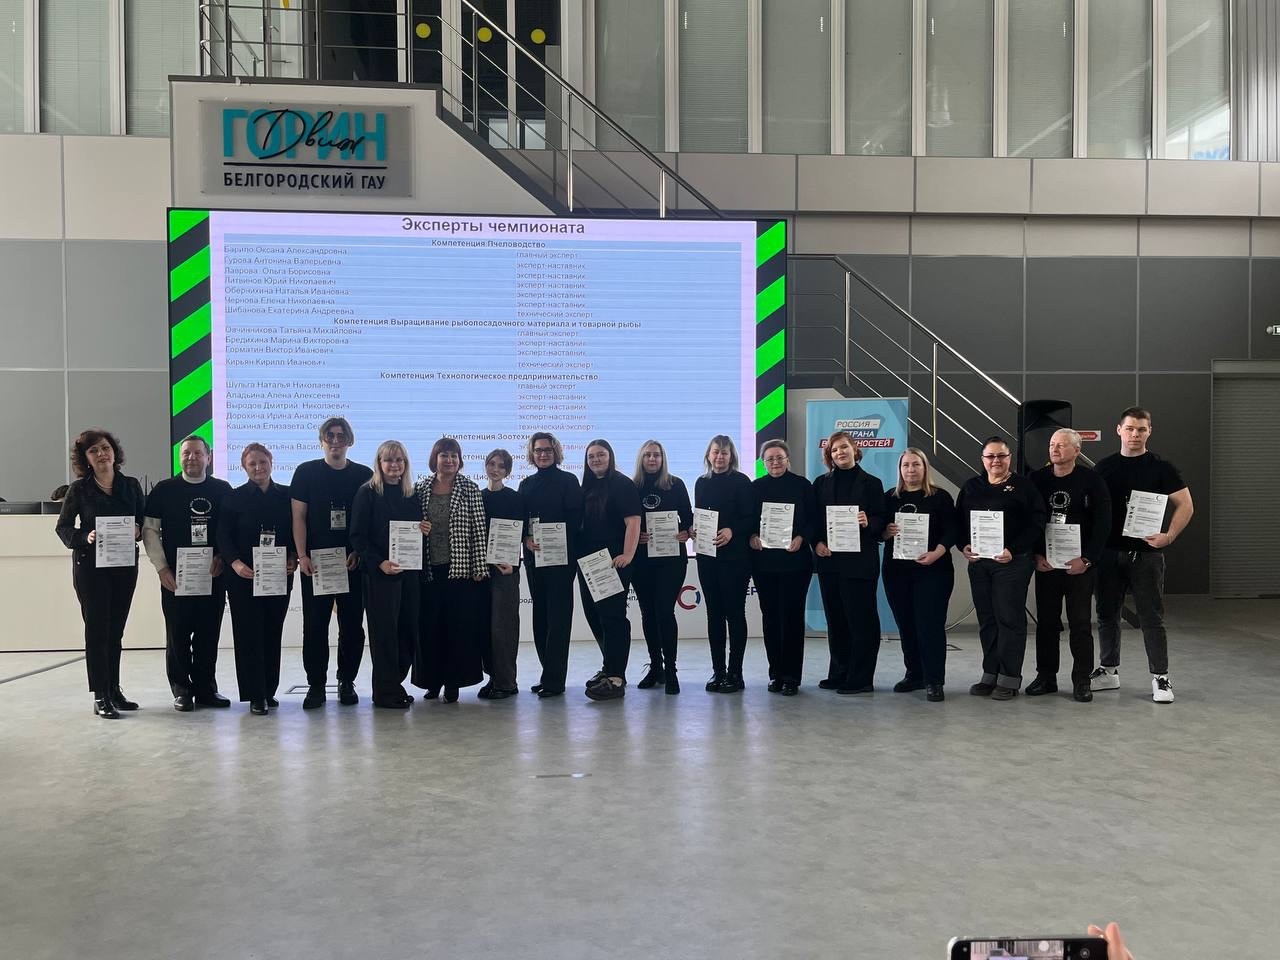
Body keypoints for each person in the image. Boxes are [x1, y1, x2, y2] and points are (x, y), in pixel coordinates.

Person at [1093, 407, 1194, 703]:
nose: (1135, 434)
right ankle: (1108, 670)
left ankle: (1161, 677)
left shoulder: (1161, 468)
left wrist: (1169, 535)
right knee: (1106, 614)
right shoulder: (1104, 467)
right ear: (1119, 430)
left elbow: (1186, 504)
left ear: (1149, 431)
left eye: (1141, 429)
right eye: (1130, 428)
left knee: (1151, 617)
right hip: (1109, 554)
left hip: (1146, 556)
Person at [55, 429, 146, 719]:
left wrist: (138, 529)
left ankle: (114, 690)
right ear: (86, 458)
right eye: (93, 450)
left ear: (114, 452)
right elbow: (63, 527)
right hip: (90, 567)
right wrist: (86, 536)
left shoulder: (131, 486)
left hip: (124, 566)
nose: (101, 454)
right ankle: (100, 695)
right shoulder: (79, 489)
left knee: (115, 631)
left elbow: (143, 520)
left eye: (105, 448)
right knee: (97, 632)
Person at [141, 434, 234, 711]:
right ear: (179, 457)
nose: (192, 458)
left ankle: (206, 689)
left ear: (209, 457)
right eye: (186, 453)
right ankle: (181, 689)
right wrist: (161, 568)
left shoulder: (223, 489)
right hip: (175, 578)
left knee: (208, 634)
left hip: (213, 576)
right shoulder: (164, 490)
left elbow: (231, 531)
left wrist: (223, 557)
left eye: (197, 453)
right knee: (177, 635)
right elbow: (150, 531)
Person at [290, 417, 373, 709]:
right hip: (315, 564)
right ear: (321, 440)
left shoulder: (364, 474)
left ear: (349, 440)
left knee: (352, 626)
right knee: (315, 626)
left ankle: (346, 681)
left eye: (341, 435)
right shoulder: (305, 472)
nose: (335, 440)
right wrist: (302, 555)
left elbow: (369, 521)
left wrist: (359, 552)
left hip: (352, 563)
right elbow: (298, 517)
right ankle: (315, 685)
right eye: (330, 435)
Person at [958, 436, 1047, 701]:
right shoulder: (971, 487)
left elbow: (1037, 522)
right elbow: (958, 522)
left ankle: (1009, 679)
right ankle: (990, 673)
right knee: (987, 619)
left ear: (1009, 458)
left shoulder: (1024, 486)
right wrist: (963, 545)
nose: (996, 460)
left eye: (1001, 456)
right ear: (982, 459)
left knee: (1009, 619)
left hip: (1012, 562)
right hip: (980, 564)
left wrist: (1014, 549)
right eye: (990, 456)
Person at [1028, 429, 1111, 703]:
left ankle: (1082, 680)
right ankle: (1046, 677)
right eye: (1052, 444)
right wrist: (1036, 555)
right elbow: (1029, 521)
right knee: (1046, 623)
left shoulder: (1092, 480)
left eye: (1062, 445)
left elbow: (1103, 523)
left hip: (1080, 567)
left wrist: (1087, 559)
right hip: (1047, 565)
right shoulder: (1037, 479)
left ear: (1077, 450)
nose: (1055, 449)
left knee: (1080, 624)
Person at [218, 443, 296, 715]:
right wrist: (235, 564)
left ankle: (269, 690)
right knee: (248, 634)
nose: (258, 467)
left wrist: (293, 556)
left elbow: (296, 530)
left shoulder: (287, 495)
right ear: (244, 467)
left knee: (272, 632)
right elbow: (223, 535)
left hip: (278, 575)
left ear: (271, 462)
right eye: (252, 464)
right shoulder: (234, 497)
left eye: (263, 462)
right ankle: (255, 695)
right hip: (243, 577)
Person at [350, 441, 426, 709]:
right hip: (380, 575)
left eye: (399, 460)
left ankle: (395, 684)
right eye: (389, 460)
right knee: (384, 635)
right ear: (379, 463)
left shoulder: (411, 494)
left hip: (409, 574)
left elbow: (416, 531)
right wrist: (379, 563)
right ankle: (385, 693)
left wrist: (423, 529)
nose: (394, 465)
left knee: (407, 631)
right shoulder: (368, 492)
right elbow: (357, 537)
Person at [413, 437, 488, 703]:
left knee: (457, 628)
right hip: (428, 570)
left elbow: (479, 530)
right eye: (444, 455)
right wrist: (417, 527)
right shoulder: (420, 488)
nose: (449, 460)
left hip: (461, 570)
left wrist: (479, 566)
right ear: (435, 459)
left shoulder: (470, 488)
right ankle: (432, 682)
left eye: (454, 455)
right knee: (429, 628)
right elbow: (409, 524)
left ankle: (453, 683)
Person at [811, 432, 887, 694]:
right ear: (829, 456)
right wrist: (816, 543)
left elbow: (882, 519)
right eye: (834, 450)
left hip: (860, 563)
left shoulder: (872, 483)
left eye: (844, 447)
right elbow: (814, 521)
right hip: (830, 562)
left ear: (855, 449)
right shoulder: (820, 483)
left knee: (862, 621)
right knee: (836, 621)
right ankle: (839, 672)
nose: (839, 453)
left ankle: (861, 678)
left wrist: (869, 522)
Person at [882, 447, 957, 702]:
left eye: (916, 464)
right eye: (906, 465)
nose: (911, 470)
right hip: (897, 572)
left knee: (930, 625)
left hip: (933, 570)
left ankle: (934, 680)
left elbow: (952, 530)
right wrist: (886, 532)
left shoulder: (940, 497)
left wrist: (937, 552)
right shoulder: (890, 497)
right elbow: (877, 531)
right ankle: (914, 674)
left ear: (925, 468)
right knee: (907, 624)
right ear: (900, 470)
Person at [577, 439, 642, 701]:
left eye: (601, 455)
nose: (595, 460)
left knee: (613, 619)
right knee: (595, 616)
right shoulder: (586, 486)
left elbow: (633, 522)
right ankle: (608, 667)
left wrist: (627, 554)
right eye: (591, 456)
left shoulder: (622, 484)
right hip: (588, 563)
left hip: (612, 562)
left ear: (610, 456)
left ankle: (616, 677)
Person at [519, 432, 583, 699]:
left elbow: (577, 520)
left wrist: (557, 539)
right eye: (538, 450)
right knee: (540, 619)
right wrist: (526, 538)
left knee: (558, 620)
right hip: (534, 560)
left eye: (547, 450)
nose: (543, 454)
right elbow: (521, 521)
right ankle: (548, 674)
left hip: (561, 561)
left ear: (556, 452)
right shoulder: (525, 484)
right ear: (531, 454)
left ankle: (555, 681)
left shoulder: (569, 481)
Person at [748, 439, 814, 696]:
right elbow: (747, 520)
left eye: (779, 457)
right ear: (763, 462)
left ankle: (792, 677)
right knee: (771, 619)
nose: (775, 462)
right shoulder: (755, 487)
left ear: (788, 459)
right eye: (770, 459)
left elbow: (814, 520)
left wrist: (802, 537)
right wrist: (752, 536)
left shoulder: (802, 485)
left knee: (792, 619)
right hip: (764, 564)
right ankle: (775, 674)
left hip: (796, 563)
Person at [693, 435, 756, 693]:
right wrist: (693, 529)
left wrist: (732, 530)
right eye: (716, 452)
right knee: (714, 615)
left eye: (725, 452)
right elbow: (700, 515)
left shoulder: (741, 481)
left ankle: (735, 673)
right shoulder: (701, 482)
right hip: (707, 557)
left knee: (735, 613)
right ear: (708, 455)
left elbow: (751, 517)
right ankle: (718, 671)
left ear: (732, 457)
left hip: (736, 558)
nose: (720, 456)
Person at [630, 440, 692, 695]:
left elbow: (688, 517)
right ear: (641, 459)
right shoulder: (632, 487)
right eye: (647, 455)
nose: (652, 459)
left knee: (664, 612)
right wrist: (636, 536)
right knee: (648, 614)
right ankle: (656, 667)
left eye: (656, 455)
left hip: (671, 561)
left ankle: (671, 670)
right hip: (642, 561)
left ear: (663, 458)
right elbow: (624, 521)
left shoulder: (676, 484)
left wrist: (685, 532)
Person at [478, 449, 524, 701]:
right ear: (486, 466)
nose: (496, 469)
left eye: (502, 466)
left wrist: (514, 566)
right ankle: (494, 677)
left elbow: (522, 535)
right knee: (485, 627)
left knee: (503, 628)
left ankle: (507, 682)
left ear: (508, 471)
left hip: (505, 571)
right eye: (492, 464)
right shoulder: (478, 497)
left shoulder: (515, 499)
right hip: (480, 573)